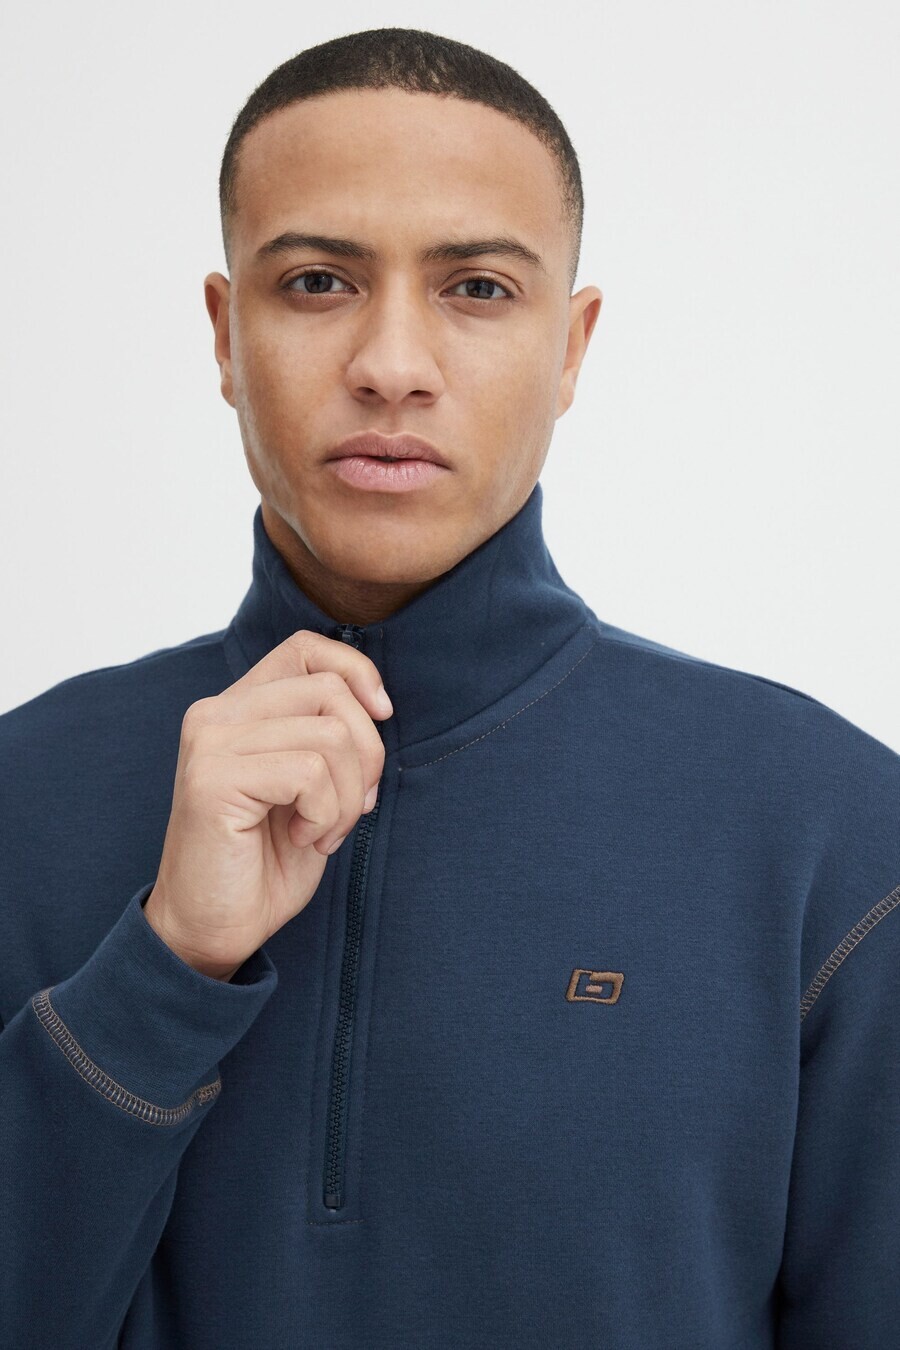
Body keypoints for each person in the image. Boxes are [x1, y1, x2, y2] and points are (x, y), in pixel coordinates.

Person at [1, 25, 897, 1350]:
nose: (392, 363)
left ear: (572, 347)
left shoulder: (833, 835)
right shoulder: (22, 797)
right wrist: (165, 966)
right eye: (317, 281)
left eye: (477, 287)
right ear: (226, 334)